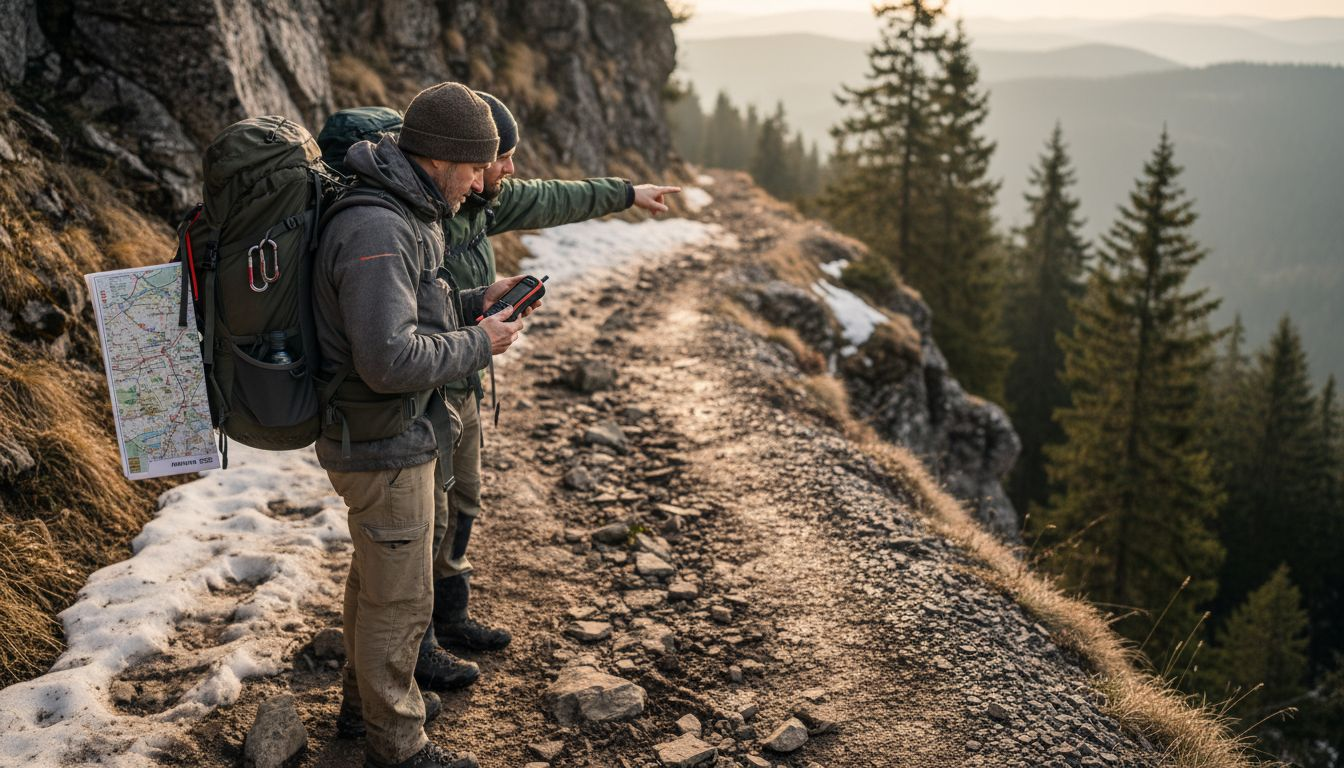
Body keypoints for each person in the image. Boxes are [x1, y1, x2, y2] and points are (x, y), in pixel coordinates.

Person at [313, 81, 537, 768]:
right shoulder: (381, 227)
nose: (481, 184)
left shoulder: (404, 209)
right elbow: (387, 358)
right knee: (400, 602)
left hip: (386, 430)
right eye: (477, 168)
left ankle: (365, 709)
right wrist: (481, 344)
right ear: (444, 158)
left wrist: (475, 302)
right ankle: (399, 745)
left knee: (375, 586)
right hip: (381, 434)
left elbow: (405, 313)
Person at [429, 91, 680, 660]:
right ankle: (416, 641)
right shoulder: (423, 215)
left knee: (465, 498)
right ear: (466, 155)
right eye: (500, 159)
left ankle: (451, 614)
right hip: (425, 386)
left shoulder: (485, 201)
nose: (510, 170)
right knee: (428, 515)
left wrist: (627, 194)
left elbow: (552, 197)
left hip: (465, 377)